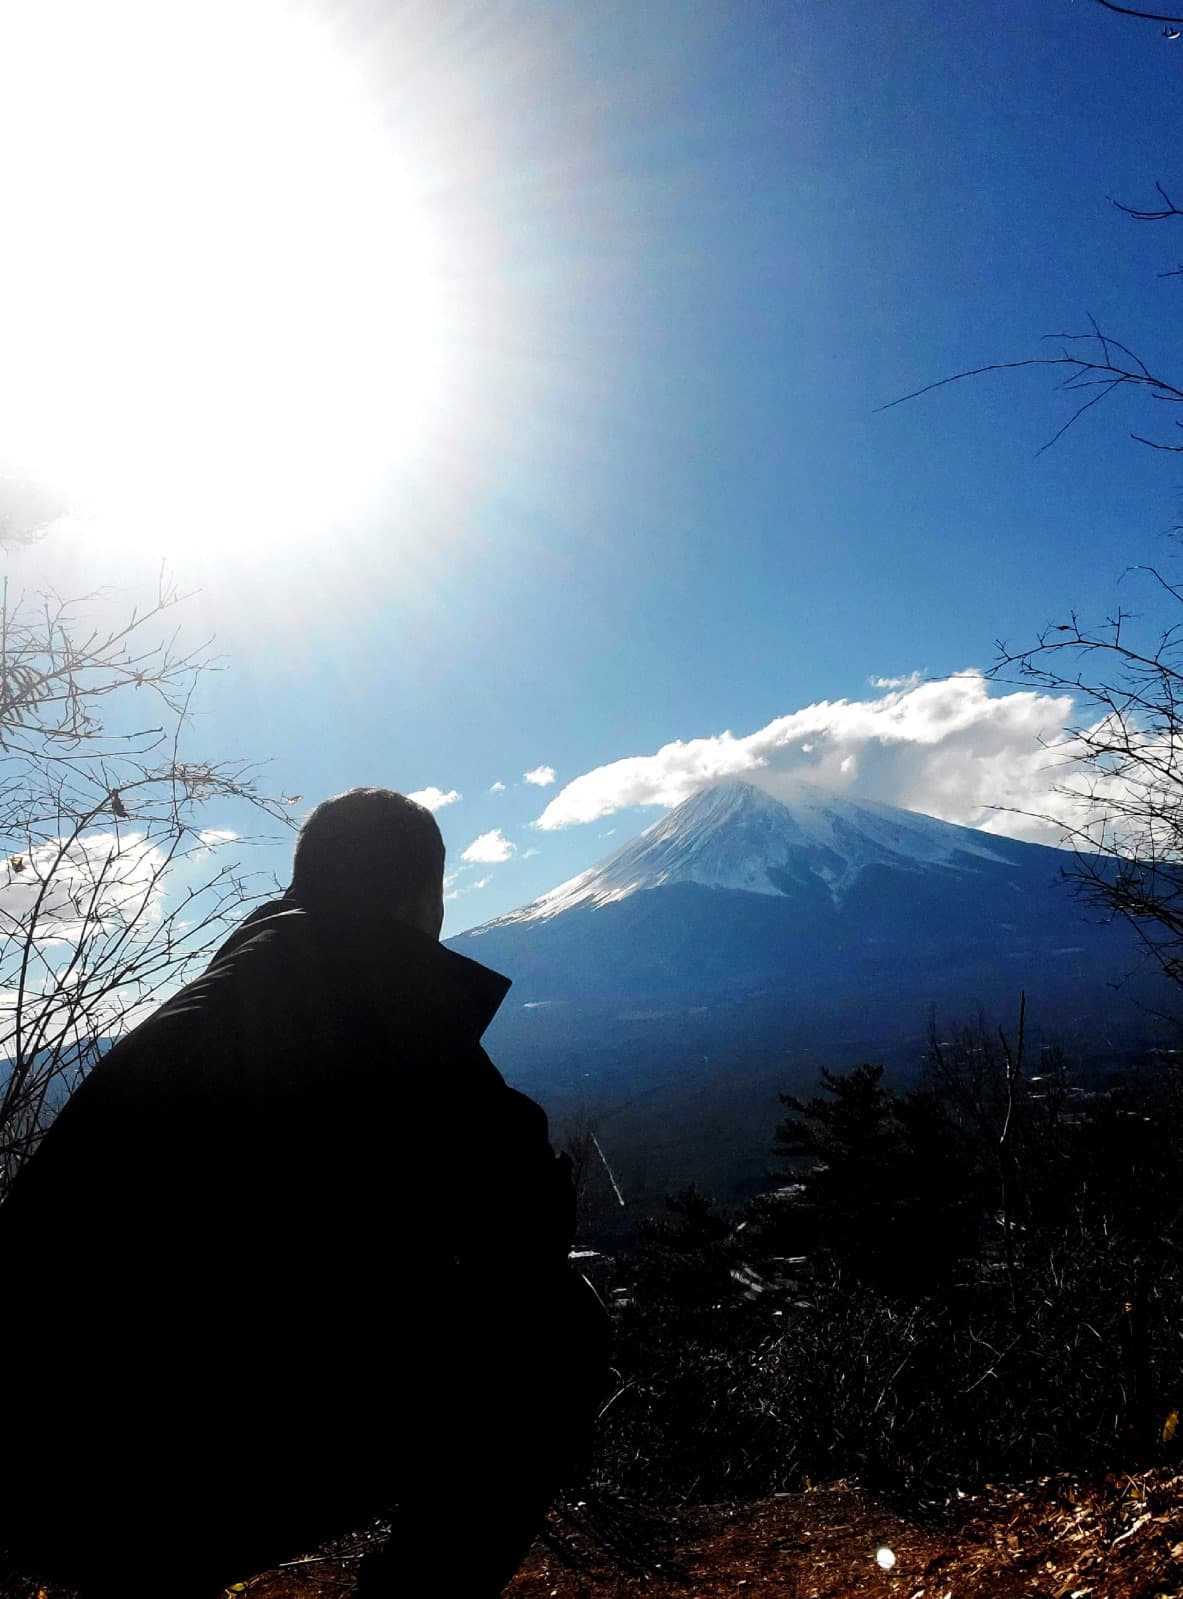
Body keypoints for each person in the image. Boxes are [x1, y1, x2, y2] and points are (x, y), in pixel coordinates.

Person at [0, 787, 607, 1599]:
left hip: (32, 1474)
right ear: (419, 896)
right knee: (553, 1325)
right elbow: (521, 1228)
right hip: (158, 1481)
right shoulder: (387, 1005)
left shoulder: (213, 1003)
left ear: (302, 881)